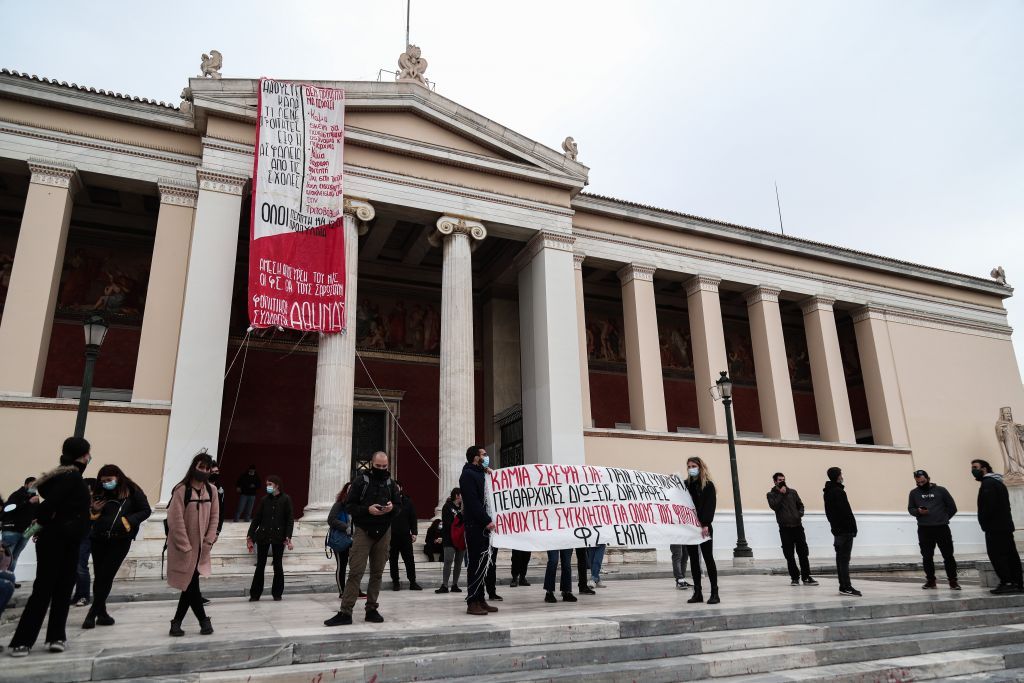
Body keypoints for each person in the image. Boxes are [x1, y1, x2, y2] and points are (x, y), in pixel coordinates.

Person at [7, 437, 93, 657]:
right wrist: (46, 520)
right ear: (82, 455)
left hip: (56, 540)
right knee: (54, 589)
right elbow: (48, 507)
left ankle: (39, 638)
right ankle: (36, 639)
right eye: (87, 454)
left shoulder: (60, 476)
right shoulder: (72, 477)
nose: (89, 458)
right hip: (63, 540)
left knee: (48, 588)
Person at [324, 452, 400, 626]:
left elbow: (399, 506)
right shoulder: (360, 481)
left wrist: (391, 508)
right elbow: (349, 506)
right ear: (372, 464)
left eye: (384, 466)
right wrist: (368, 510)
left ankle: (371, 608)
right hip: (363, 531)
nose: (381, 469)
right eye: (378, 466)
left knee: (377, 573)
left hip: (384, 532)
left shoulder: (391, 484)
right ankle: (345, 612)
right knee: (356, 571)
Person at [82, 465, 151, 629]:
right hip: (98, 539)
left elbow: (145, 510)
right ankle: (102, 614)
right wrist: (94, 510)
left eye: (109, 480)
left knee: (106, 575)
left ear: (118, 477)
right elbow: (91, 516)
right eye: (103, 481)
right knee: (99, 576)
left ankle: (92, 613)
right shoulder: (100, 492)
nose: (106, 483)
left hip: (120, 540)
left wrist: (127, 522)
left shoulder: (132, 490)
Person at [166, 451, 219, 637]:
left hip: (202, 548)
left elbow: (215, 517)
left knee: (190, 584)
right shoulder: (182, 489)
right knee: (190, 584)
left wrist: (209, 540)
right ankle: (202, 621)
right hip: (183, 548)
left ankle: (178, 623)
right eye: (200, 467)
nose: (204, 471)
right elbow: (175, 520)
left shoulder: (212, 491)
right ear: (194, 467)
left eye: (206, 468)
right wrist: (185, 546)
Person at [972, 459, 1023, 594]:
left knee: (997, 555)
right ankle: (1017, 582)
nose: (973, 470)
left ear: (984, 469)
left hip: (995, 528)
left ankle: (1007, 582)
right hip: (1004, 526)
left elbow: (988, 507)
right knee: (1010, 554)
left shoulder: (988, 484)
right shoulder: (998, 483)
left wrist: (984, 522)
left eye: (975, 467)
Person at [461, 445, 498, 616]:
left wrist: (489, 472)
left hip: (484, 527)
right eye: (483, 454)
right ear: (476, 457)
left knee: (484, 564)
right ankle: (472, 601)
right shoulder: (468, 475)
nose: (486, 456)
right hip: (475, 526)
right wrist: (486, 520)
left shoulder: (480, 472)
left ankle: (481, 599)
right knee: (475, 564)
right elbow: (473, 501)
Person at [908, 469, 960, 590]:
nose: (921, 484)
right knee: (927, 556)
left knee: (948, 556)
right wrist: (918, 512)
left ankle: (953, 581)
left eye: (923, 481)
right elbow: (910, 508)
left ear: (928, 478)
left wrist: (943, 518)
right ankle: (931, 581)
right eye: (918, 482)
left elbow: (952, 507)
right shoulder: (913, 493)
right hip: (924, 529)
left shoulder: (941, 490)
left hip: (942, 528)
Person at [246, 475, 294, 602]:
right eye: (267, 484)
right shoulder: (264, 500)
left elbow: (289, 520)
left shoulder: (286, 499)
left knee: (277, 565)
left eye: (270, 484)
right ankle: (255, 594)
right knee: (260, 565)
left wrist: (288, 536)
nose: (268, 487)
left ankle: (277, 593)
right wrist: (250, 535)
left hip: (279, 536)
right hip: (263, 535)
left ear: (277, 485)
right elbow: (257, 518)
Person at [767, 472, 818, 587]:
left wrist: (799, 514)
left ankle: (806, 577)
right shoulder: (771, 494)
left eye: (783, 479)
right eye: (779, 480)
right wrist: (781, 494)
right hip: (785, 528)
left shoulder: (793, 492)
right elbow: (774, 506)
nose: (782, 481)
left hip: (797, 527)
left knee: (803, 553)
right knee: (789, 555)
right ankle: (795, 578)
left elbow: (800, 505)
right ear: (775, 481)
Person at [684, 457, 720, 605]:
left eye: (693, 466)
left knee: (708, 558)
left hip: (704, 526)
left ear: (700, 467)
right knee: (693, 560)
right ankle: (697, 592)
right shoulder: (686, 485)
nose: (691, 468)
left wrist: (705, 524)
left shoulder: (708, 485)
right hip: (690, 527)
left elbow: (710, 505)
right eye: (689, 466)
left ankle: (714, 592)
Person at [823, 466, 861, 597]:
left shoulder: (828, 491)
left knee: (840, 560)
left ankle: (843, 586)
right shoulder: (838, 492)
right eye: (840, 474)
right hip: (844, 531)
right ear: (837, 476)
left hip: (838, 530)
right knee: (844, 560)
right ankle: (846, 587)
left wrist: (835, 528)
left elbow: (830, 513)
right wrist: (852, 528)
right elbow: (845, 512)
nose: (842, 476)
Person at [1, 477, 40, 577]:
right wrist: (28, 502)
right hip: (11, 530)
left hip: (26, 531)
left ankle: (9, 578)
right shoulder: (17, 495)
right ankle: (3, 580)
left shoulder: (35, 498)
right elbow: (7, 510)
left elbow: (36, 514)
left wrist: (35, 529)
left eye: (36, 485)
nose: (34, 487)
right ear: (26, 484)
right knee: (6, 558)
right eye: (32, 485)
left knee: (14, 557)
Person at [69, 478, 97, 608]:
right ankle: (77, 595)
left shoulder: (96, 502)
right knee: (75, 566)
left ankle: (84, 596)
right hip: (77, 535)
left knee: (80, 566)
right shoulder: (80, 501)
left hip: (87, 536)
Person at [389, 480, 421, 591]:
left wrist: (415, 532)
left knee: (409, 559)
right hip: (392, 536)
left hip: (405, 535)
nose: (396, 490)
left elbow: (413, 518)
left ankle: (413, 582)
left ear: (401, 488)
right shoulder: (389, 502)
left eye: (397, 487)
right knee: (393, 559)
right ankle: (395, 582)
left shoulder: (408, 501)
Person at [436, 488, 465, 593]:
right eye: (461, 494)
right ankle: (444, 585)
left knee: (458, 562)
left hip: (461, 539)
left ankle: (455, 584)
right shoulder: (447, 507)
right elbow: (448, 523)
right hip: (449, 538)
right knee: (448, 561)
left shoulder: (464, 507)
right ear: (457, 495)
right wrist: (459, 516)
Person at [329, 482, 353, 597]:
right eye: (349, 488)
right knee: (341, 565)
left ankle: (354, 590)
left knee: (356, 566)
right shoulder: (339, 505)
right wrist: (346, 527)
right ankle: (342, 591)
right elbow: (331, 520)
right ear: (345, 491)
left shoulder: (358, 505)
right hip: (341, 539)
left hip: (356, 539)